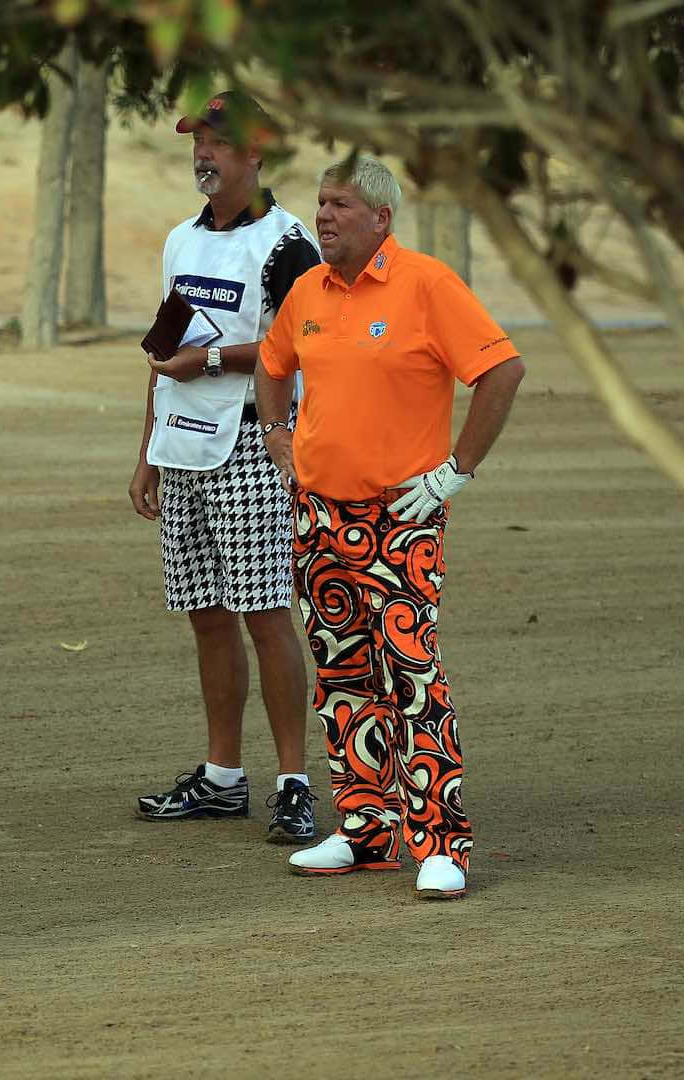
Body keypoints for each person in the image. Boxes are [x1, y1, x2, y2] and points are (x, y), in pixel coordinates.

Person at [255, 154, 527, 899]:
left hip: (398, 521)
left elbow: (501, 370)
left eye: (340, 204)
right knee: (342, 676)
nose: (324, 216)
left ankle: (440, 840)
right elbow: (273, 362)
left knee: (411, 675)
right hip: (316, 517)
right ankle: (364, 829)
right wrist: (276, 433)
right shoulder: (307, 289)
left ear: (381, 218)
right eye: (319, 202)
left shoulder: (427, 284)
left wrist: (453, 472)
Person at [129, 92, 322, 843]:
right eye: (196, 144)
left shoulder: (286, 245)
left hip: (251, 444)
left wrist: (207, 359)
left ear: (255, 156)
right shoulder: (181, 239)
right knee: (206, 618)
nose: (203, 155)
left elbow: (300, 346)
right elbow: (159, 350)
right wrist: (145, 452)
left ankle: (294, 784)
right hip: (181, 448)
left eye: (218, 144)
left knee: (265, 616)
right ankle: (219, 779)